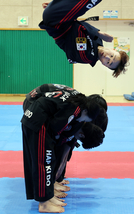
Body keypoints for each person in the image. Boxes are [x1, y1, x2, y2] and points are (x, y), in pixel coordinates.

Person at [21, 83, 106, 213]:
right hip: (37, 121)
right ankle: (44, 203)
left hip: (38, 119)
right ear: (85, 112)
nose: (82, 121)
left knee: (48, 160)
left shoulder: (79, 103)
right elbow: (56, 131)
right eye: (85, 119)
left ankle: (48, 197)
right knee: (44, 162)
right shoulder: (75, 110)